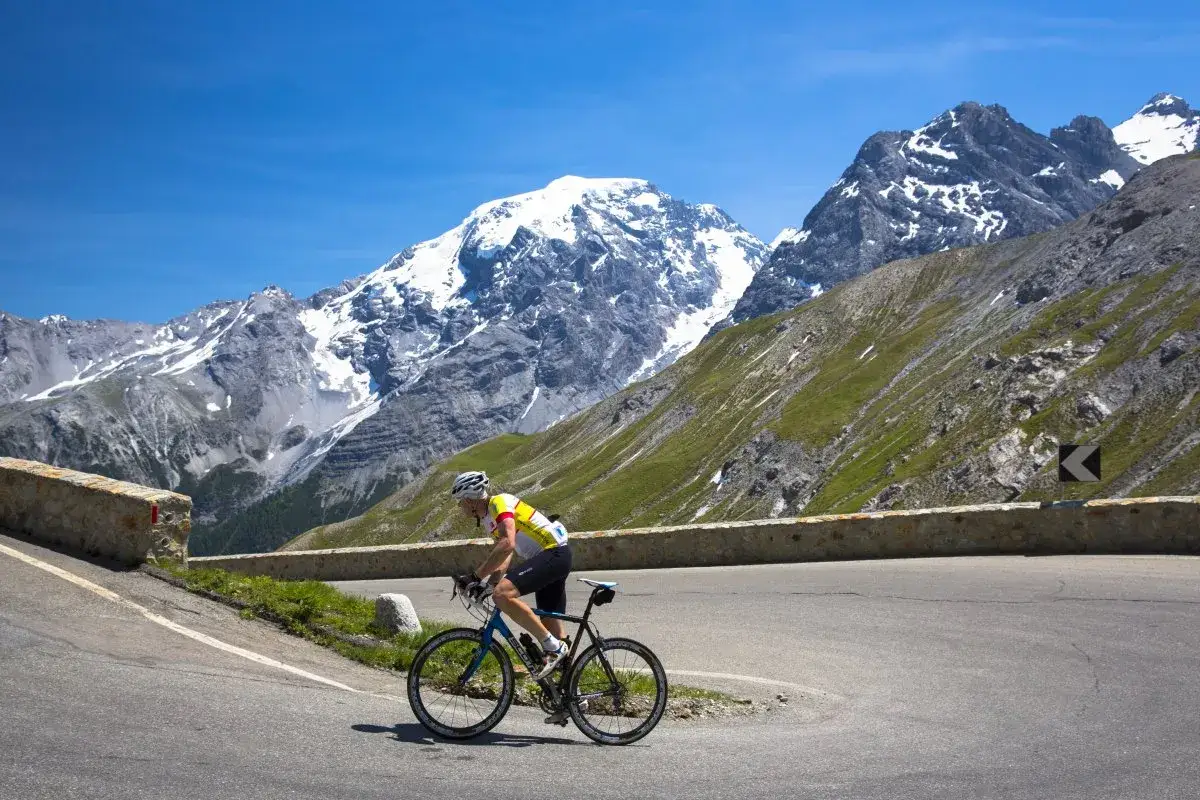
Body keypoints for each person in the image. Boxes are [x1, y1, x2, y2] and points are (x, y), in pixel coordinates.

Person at [451, 470, 572, 682]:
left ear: (469, 500)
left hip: (553, 553)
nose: (460, 507)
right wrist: (490, 584)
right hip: (552, 556)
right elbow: (505, 554)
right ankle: (569, 691)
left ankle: (554, 647)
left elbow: (508, 543)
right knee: (550, 623)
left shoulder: (499, 503)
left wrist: (475, 577)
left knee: (503, 595)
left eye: (460, 502)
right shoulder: (489, 518)